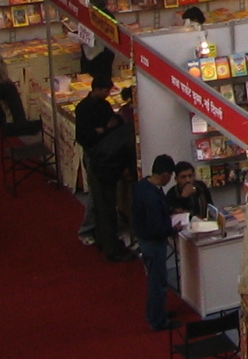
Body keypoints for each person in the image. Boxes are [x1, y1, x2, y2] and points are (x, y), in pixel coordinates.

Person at [75, 75, 136, 261]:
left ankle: (103, 239)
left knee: (104, 206)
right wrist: (100, 131)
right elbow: (84, 136)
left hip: (102, 161)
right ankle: (109, 246)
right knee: (103, 206)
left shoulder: (105, 108)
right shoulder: (85, 109)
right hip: (100, 162)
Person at [134, 154, 181, 331]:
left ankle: (154, 312)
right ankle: (158, 320)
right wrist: (172, 229)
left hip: (145, 240)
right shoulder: (152, 198)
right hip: (153, 243)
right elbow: (156, 229)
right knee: (158, 282)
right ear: (165, 175)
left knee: (155, 280)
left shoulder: (143, 186)